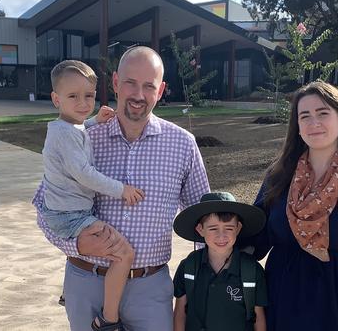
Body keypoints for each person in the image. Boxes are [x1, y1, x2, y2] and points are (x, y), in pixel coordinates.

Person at [33, 46, 210, 331]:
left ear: (161, 89)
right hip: (86, 281)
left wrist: (207, 280)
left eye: (148, 86)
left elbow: (204, 218)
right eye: (130, 83)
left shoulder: (183, 144)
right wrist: (75, 244)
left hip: (150, 289)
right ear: (115, 82)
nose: (138, 95)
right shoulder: (82, 137)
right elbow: (46, 207)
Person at [245, 81, 338, 331]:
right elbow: (256, 237)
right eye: (304, 116)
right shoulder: (279, 178)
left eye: (323, 113)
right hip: (282, 302)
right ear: (297, 126)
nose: (313, 123)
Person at [41, 60, 146, 330]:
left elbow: (75, 131)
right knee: (124, 255)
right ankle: (108, 319)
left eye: (88, 96)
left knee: (111, 252)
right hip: (71, 216)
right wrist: (121, 190)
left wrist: (92, 121)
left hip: (72, 212)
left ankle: (72, 292)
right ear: (56, 99)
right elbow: (85, 173)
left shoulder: (68, 128)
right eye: (73, 96)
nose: (83, 103)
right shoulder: (65, 134)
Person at [172, 192, 268, 331]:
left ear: (238, 228)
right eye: (213, 228)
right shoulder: (188, 266)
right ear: (200, 229)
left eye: (229, 228)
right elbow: (180, 313)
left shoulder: (252, 270)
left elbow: (258, 318)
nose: (221, 236)